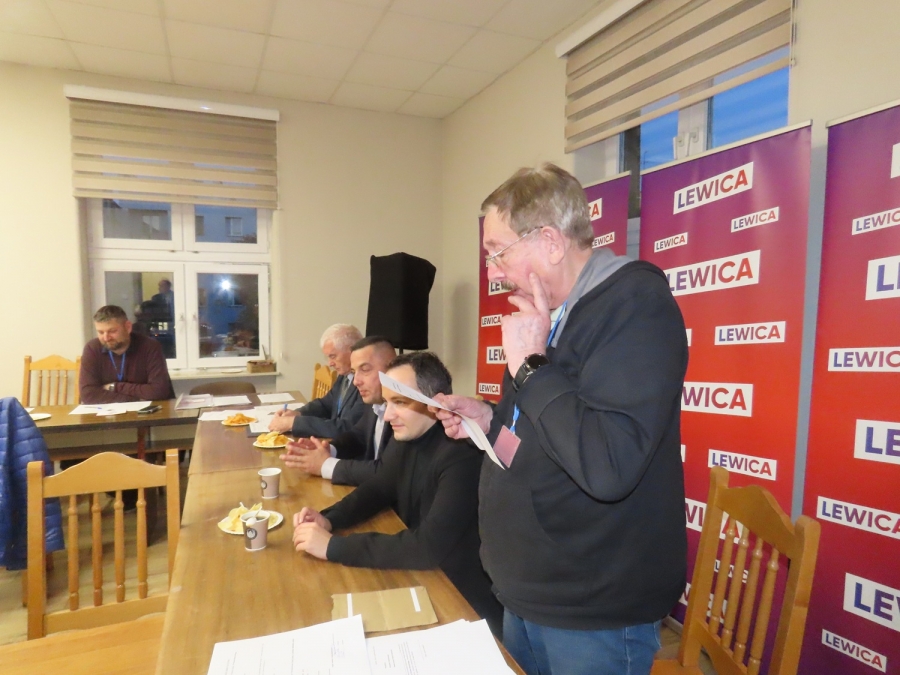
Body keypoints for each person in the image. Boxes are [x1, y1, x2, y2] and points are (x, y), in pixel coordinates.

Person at [432, 163, 688, 675]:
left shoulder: (636, 307)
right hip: (528, 588)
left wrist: (531, 365)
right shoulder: (550, 313)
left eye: (498, 252)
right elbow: (540, 432)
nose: (492, 272)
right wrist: (488, 421)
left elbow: (608, 464)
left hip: (592, 608)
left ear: (550, 241)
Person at [292, 352, 503, 636]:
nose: (388, 414)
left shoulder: (461, 454)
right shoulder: (407, 436)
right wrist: (329, 518)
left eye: (400, 402)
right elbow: (379, 488)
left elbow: (427, 547)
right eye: (388, 402)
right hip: (422, 576)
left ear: (436, 403)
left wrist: (333, 547)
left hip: (463, 600)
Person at [280, 336, 396, 486]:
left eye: (365, 370)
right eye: (354, 372)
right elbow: (358, 436)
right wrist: (329, 449)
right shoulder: (375, 401)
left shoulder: (407, 413)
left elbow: (387, 473)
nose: (356, 381)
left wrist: (325, 465)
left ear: (392, 369)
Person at [269, 324, 365, 438]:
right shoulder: (344, 375)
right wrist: (298, 413)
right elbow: (325, 404)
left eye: (333, 356)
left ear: (352, 351)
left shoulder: (366, 383)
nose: (330, 363)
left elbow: (346, 427)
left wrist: (294, 423)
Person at [80, 305, 175, 404]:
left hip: (150, 411)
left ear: (128, 327)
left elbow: (159, 391)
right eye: (100, 332)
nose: (106, 338)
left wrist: (115, 387)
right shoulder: (92, 349)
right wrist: (135, 399)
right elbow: (88, 394)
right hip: (107, 412)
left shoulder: (150, 347)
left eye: (112, 331)